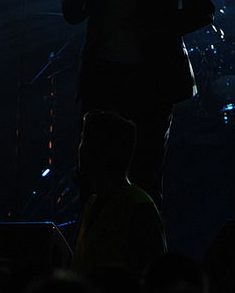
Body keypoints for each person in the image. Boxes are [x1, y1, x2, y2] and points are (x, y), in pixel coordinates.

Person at [61, 0, 215, 208]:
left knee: (145, 173)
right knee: (94, 176)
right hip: (105, 77)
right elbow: (71, 13)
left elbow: (202, 10)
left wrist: (157, 28)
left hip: (151, 78)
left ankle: (131, 249)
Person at [71, 111, 166, 273]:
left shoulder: (139, 207)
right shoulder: (92, 204)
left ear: (104, 151)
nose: (81, 149)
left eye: (86, 141)